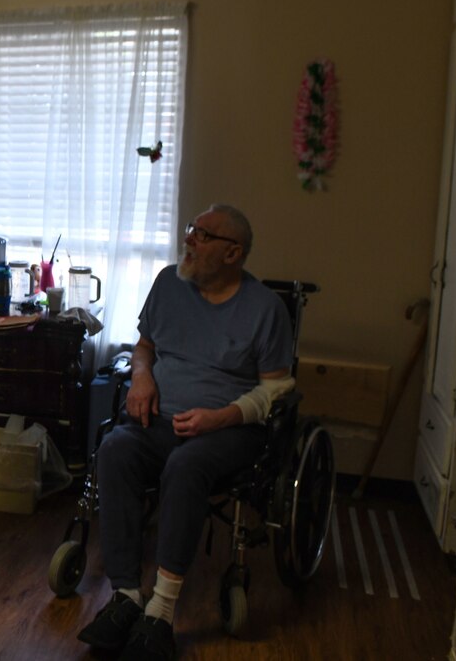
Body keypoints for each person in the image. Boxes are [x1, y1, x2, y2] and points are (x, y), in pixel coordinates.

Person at [77, 204, 294, 660]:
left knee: (186, 463)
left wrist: (222, 417)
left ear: (232, 252)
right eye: (191, 229)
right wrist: (141, 376)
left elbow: (276, 388)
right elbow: (144, 347)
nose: (189, 239)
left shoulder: (265, 309)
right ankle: (126, 596)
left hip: (228, 431)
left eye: (202, 234)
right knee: (115, 449)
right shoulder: (167, 283)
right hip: (158, 419)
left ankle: (161, 608)